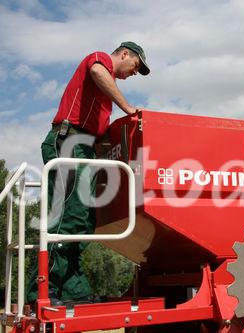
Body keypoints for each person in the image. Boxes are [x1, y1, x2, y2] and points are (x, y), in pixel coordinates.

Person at [26, 41, 150, 305]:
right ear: (124, 54)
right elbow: (96, 71)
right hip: (69, 141)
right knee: (67, 215)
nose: (133, 73)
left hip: (84, 149)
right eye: (135, 66)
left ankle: (72, 288)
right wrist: (128, 108)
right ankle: (44, 291)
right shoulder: (99, 59)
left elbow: (101, 135)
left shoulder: (102, 101)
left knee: (83, 219)